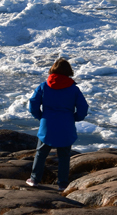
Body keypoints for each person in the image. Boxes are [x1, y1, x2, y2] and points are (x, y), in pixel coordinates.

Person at [26, 58, 89, 191]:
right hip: (66, 125)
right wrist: (75, 118)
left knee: (41, 153)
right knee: (64, 156)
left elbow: (33, 104)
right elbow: (83, 108)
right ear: (68, 71)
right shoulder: (74, 89)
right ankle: (62, 183)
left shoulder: (44, 86)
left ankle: (34, 179)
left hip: (47, 124)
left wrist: (40, 116)